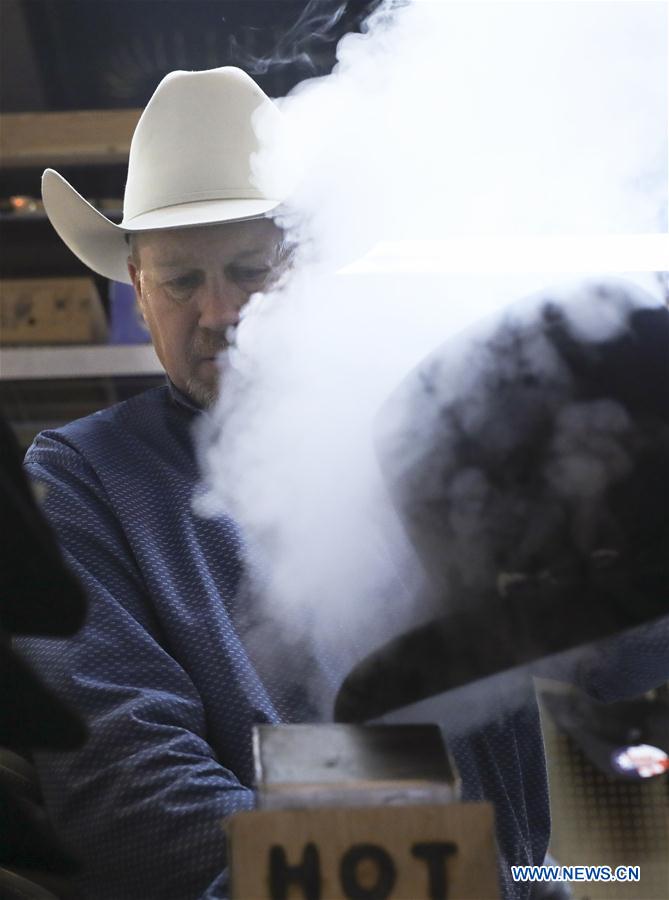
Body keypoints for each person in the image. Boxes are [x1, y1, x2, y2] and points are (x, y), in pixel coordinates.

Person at [13, 65, 668, 900]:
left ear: (301, 269)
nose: (218, 313)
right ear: (137, 291)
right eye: (181, 281)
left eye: (249, 270)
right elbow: (127, 790)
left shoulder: (424, 433)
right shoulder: (85, 481)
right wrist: (391, 876)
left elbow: (618, 657)